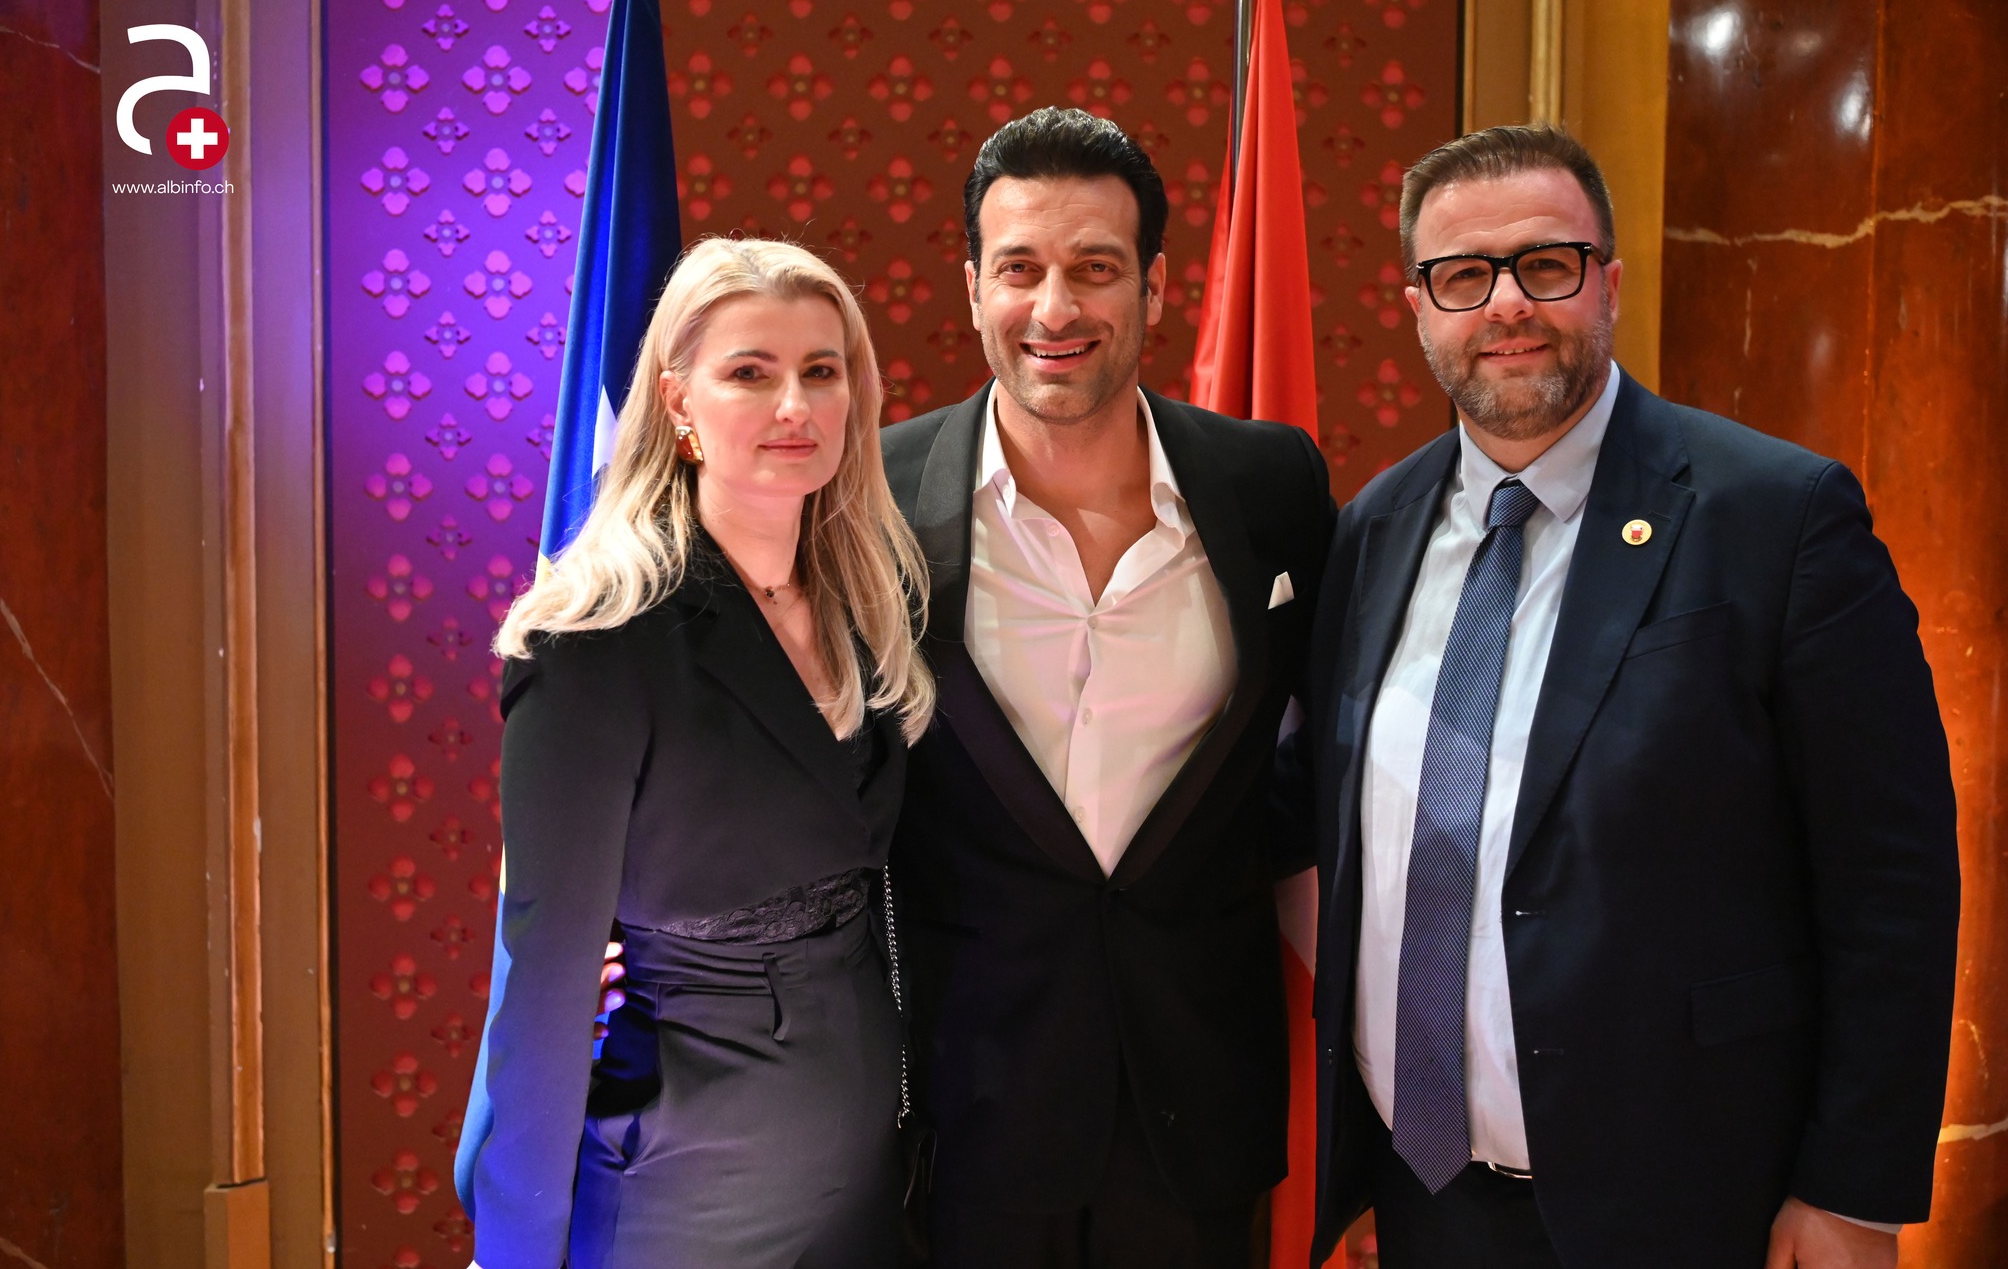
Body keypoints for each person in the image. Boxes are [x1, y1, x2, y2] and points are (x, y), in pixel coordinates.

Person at [1281, 124, 1960, 1268]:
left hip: (1694, 1202)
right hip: (1427, 1199)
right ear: (1417, 308)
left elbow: (1889, 877)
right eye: (1462, 275)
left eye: (1544, 264)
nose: (1506, 303)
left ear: (1607, 281)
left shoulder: (1775, 517)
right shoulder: (1368, 531)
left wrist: (1852, 1190)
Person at [878, 107, 1335, 1267]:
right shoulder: (872, 501)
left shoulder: (1269, 485)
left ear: (1154, 286)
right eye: (1019, 268)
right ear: (972, 286)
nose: (1054, 309)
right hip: (962, 1117)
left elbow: (1325, 750)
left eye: (1093, 268)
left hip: (1200, 1115)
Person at [461, 237, 936, 1269]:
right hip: (685, 1195)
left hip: (865, 1176)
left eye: (821, 370)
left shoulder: (870, 602)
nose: (794, 405)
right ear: (679, 400)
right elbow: (545, 980)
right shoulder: (593, 638)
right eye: (750, 373)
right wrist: (514, 1248)